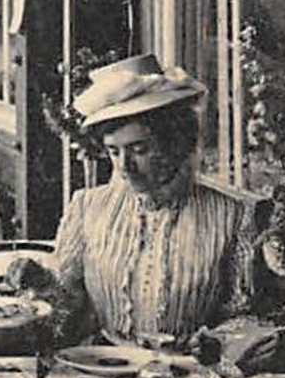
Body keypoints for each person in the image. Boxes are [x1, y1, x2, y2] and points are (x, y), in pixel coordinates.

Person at [51, 55, 259, 344]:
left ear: (175, 143)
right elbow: (65, 306)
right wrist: (39, 283)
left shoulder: (230, 215)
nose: (124, 166)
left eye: (139, 149)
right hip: (103, 373)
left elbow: (242, 314)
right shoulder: (88, 207)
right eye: (114, 152)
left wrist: (216, 344)